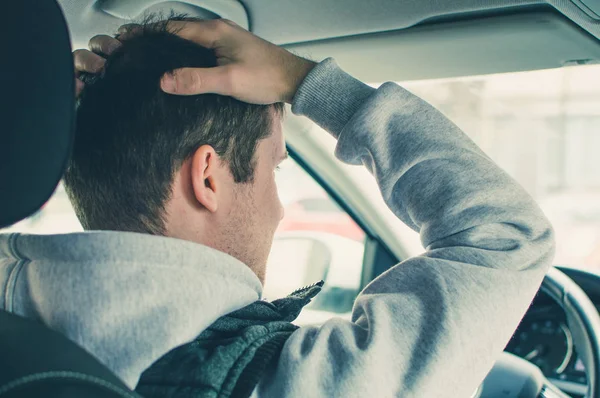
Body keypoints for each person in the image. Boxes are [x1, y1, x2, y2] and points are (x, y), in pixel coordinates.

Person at [0, 15, 554, 398]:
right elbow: (505, 235)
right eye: (275, 168)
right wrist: (304, 81)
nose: (281, 209)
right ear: (208, 176)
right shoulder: (306, 382)